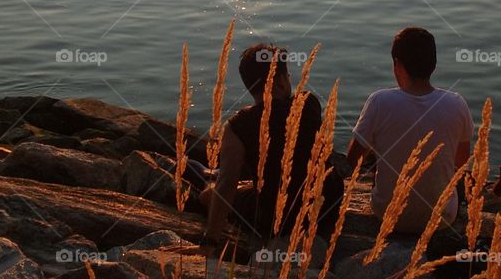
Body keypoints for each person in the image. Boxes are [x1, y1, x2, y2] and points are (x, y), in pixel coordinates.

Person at [200, 43, 341, 256]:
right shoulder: (309, 102)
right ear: (280, 81)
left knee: (209, 193)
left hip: (277, 218)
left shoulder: (237, 127)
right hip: (326, 206)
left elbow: (227, 183)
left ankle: (204, 181)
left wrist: (209, 242)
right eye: (288, 75)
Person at [347, 27, 473, 235]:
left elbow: (352, 160)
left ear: (397, 65)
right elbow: (460, 163)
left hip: (388, 214)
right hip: (442, 217)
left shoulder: (379, 101)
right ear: (433, 65)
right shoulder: (457, 104)